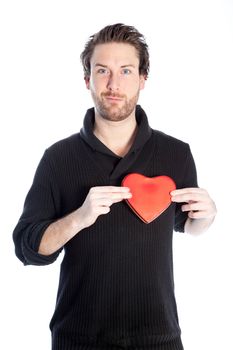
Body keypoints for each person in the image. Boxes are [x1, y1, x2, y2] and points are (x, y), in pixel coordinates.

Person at [13, 23, 217, 350]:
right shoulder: (58, 159)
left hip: (159, 339)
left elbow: (184, 223)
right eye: (102, 71)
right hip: (78, 340)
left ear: (143, 78)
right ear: (87, 79)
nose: (113, 84)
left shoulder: (176, 153)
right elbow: (27, 247)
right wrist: (80, 217)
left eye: (125, 71)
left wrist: (205, 218)